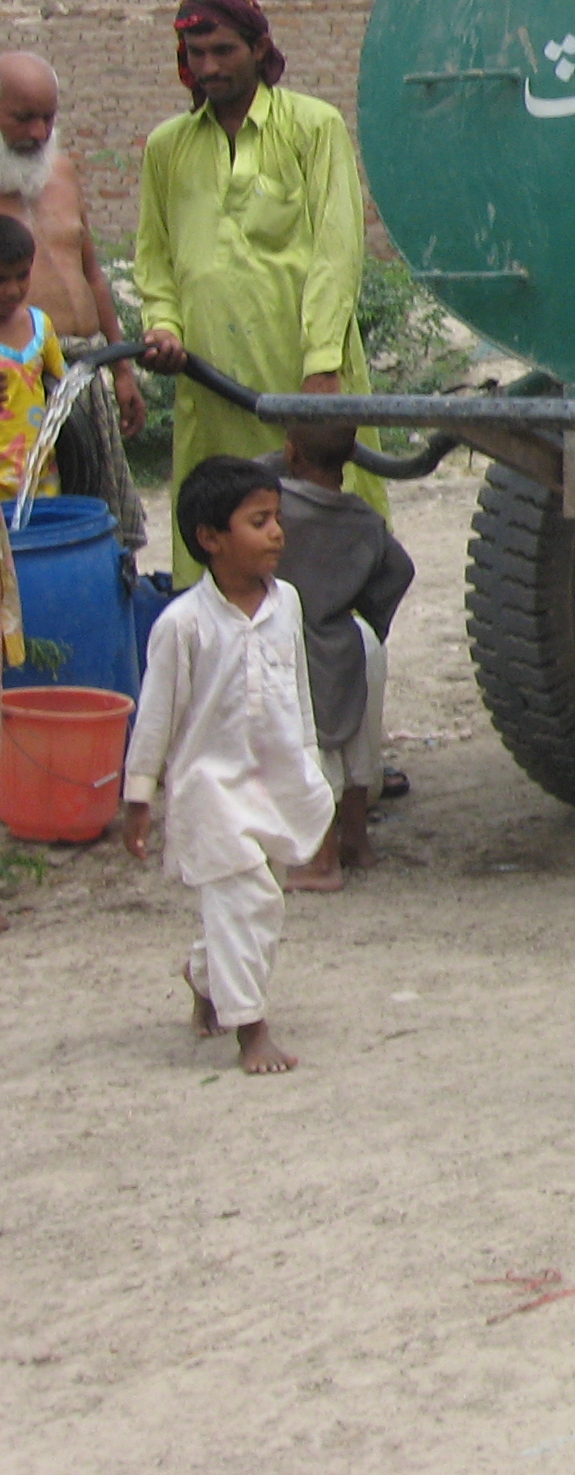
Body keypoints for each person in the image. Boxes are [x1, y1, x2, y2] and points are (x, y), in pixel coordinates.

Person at [134, 0, 385, 587]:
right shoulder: (167, 147)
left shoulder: (312, 126)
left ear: (258, 48)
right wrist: (162, 325)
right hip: (210, 379)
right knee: (218, 540)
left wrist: (323, 365)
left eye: (224, 51)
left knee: (319, 546)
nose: (210, 67)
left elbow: (336, 249)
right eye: (197, 55)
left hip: (302, 378)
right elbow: (155, 256)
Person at [120, 455, 331, 1076]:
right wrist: (139, 798)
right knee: (249, 903)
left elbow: (298, 690)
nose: (276, 533)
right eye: (258, 521)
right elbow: (154, 717)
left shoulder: (285, 603)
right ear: (211, 538)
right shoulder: (182, 625)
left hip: (271, 781)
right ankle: (252, 1030)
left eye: (276, 519)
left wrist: (310, 764)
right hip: (209, 790)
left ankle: (205, 974)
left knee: (252, 896)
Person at [0, 51, 146, 548]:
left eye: (49, 117)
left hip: (85, 371)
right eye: (23, 118)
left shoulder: (62, 172)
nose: (40, 133)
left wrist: (123, 369)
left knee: (101, 531)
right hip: (20, 385)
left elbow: (93, 275)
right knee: (32, 528)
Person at [275, 419, 414, 893]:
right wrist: (370, 615)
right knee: (354, 749)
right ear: (352, 457)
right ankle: (358, 843)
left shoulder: (278, 508)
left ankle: (322, 860)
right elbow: (401, 568)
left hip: (303, 646)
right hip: (346, 641)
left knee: (315, 753)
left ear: (291, 454)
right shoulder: (364, 521)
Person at [0, 215, 69, 502]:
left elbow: (67, 386)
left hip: (40, 480)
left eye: (22, 275)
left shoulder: (41, 326)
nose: (13, 289)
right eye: (1, 279)